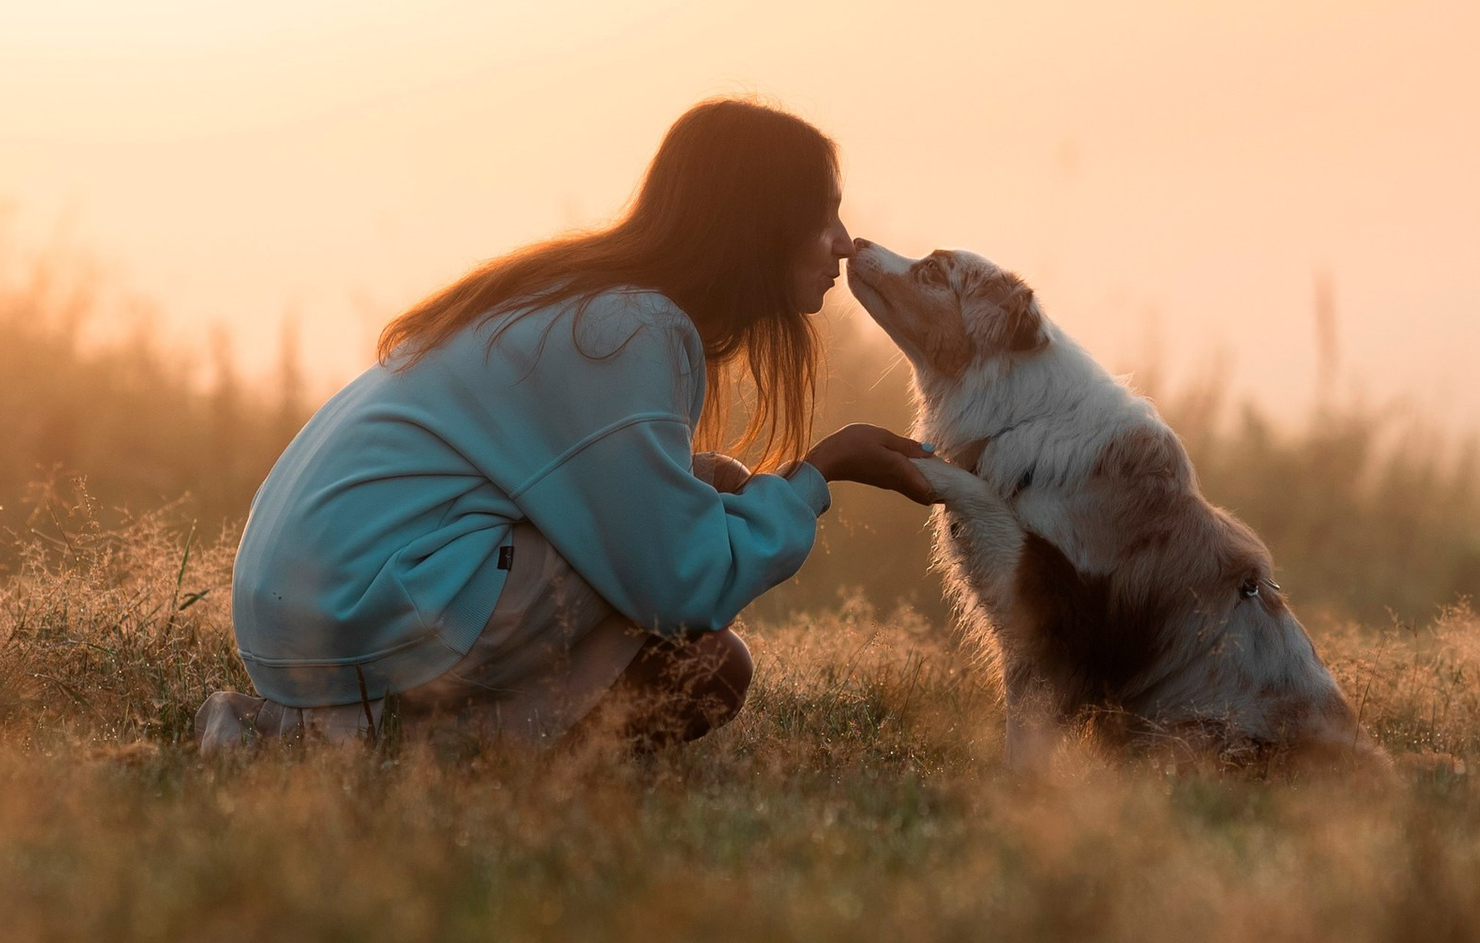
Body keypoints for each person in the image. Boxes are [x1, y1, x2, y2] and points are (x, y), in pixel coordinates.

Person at [207, 99, 935, 756]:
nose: (843, 242)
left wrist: (704, 482)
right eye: (822, 215)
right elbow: (681, 583)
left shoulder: (589, 303)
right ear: (757, 222)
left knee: (695, 657)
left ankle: (347, 741)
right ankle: (354, 750)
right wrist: (822, 472)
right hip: (359, 603)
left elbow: (577, 482)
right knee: (708, 666)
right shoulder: (628, 330)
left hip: (313, 606)